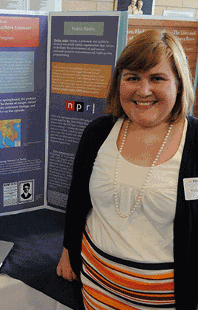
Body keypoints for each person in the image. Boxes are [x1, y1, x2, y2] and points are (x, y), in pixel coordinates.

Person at [57, 29, 198, 309]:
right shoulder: (99, 133)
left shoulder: (195, 143)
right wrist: (67, 250)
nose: (143, 90)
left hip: (167, 301)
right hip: (95, 287)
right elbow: (78, 201)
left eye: (157, 78)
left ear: (179, 84)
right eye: (132, 77)